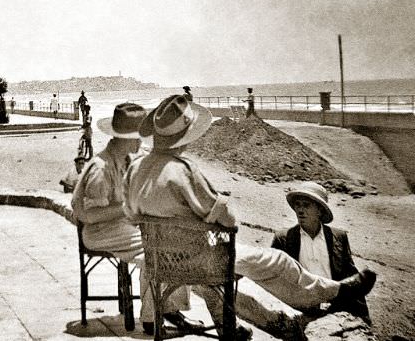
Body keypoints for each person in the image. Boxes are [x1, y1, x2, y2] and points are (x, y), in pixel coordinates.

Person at [124, 95, 377, 340]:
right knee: (277, 261)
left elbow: (131, 215)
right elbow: (228, 220)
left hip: (160, 260)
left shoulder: (135, 168)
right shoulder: (183, 170)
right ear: (183, 137)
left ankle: (238, 327)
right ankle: (336, 291)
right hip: (198, 260)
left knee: (223, 275)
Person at [71, 103, 200, 334]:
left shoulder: (125, 158)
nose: (142, 143)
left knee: (172, 241)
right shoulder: (102, 167)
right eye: (139, 138)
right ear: (125, 139)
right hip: (99, 232)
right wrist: (127, 207)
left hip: (119, 226)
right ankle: (153, 317)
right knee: (155, 248)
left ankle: (165, 310)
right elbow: (88, 215)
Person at [272, 182, 370, 321]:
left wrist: (363, 317)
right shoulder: (284, 238)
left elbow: (350, 276)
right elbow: (274, 278)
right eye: (297, 205)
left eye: (306, 205)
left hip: (334, 310)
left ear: (319, 210)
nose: (300, 210)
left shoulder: (339, 237)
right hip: (299, 310)